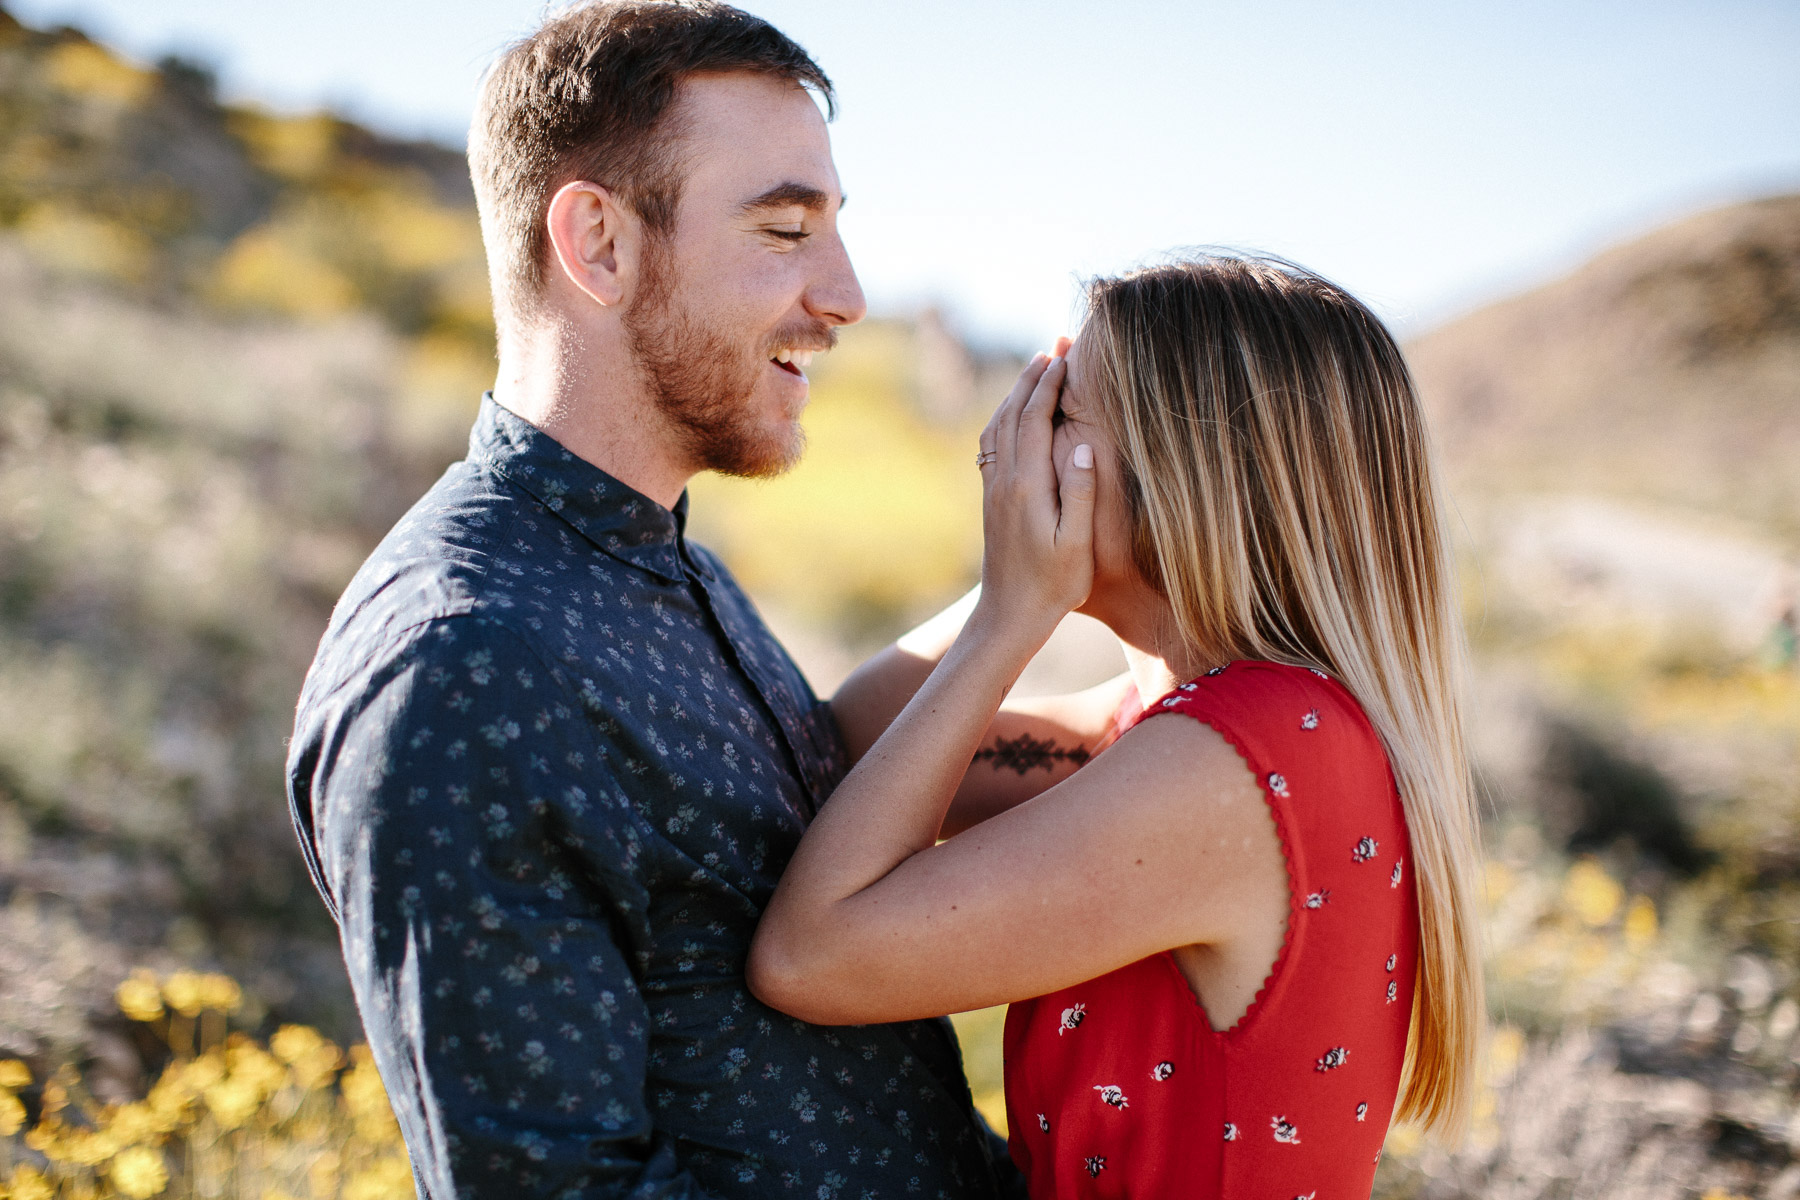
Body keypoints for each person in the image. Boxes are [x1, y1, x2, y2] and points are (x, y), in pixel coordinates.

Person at [285, 3, 1020, 1197]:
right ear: (600, 245)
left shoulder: (669, 566)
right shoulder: (463, 666)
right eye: (786, 230)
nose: (846, 297)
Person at [749, 256, 1485, 1198]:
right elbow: (854, 737)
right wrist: (1012, 587)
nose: (1012, 446)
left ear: (1186, 477)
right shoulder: (1190, 727)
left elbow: (811, 956)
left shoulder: (1237, 759)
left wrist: (1016, 614)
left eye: (1059, 414)